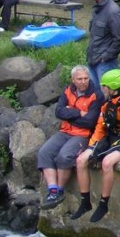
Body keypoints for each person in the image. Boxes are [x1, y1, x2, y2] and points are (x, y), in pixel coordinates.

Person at [71, 68, 120, 223]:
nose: (102, 89)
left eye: (104, 86)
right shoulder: (106, 105)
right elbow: (100, 128)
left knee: (107, 163)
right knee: (81, 160)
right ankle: (85, 201)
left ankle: (103, 203)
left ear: (112, 87)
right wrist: (91, 147)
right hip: (110, 137)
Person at [37, 66, 104, 209]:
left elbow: (90, 122)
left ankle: (59, 191)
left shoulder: (96, 95)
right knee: (44, 152)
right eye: (80, 79)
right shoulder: (68, 90)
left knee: (65, 156)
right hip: (65, 131)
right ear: (73, 80)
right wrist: (79, 113)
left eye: (86, 78)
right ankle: (53, 190)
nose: (83, 82)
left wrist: (69, 114)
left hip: (83, 135)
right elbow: (58, 111)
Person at [85, 0, 120, 84]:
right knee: (95, 97)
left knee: (106, 97)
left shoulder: (113, 11)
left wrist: (106, 57)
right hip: (92, 60)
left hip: (105, 64)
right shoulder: (96, 9)